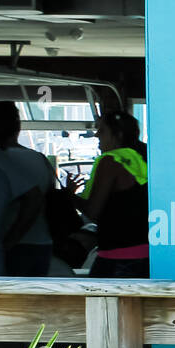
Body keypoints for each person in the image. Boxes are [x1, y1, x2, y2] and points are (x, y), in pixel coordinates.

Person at [65, 110, 149, 278]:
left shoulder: (110, 161)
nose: (96, 135)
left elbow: (93, 212)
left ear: (117, 135)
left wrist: (69, 195)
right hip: (146, 254)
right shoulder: (144, 156)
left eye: (102, 130)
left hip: (116, 257)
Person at [0, 101, 55, 277]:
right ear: (17, 127)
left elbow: (34, 199)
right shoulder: (39, 158)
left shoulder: (2, 159)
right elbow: (49, 194)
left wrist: (9, 241)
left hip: (14, 245)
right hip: (43, 243)